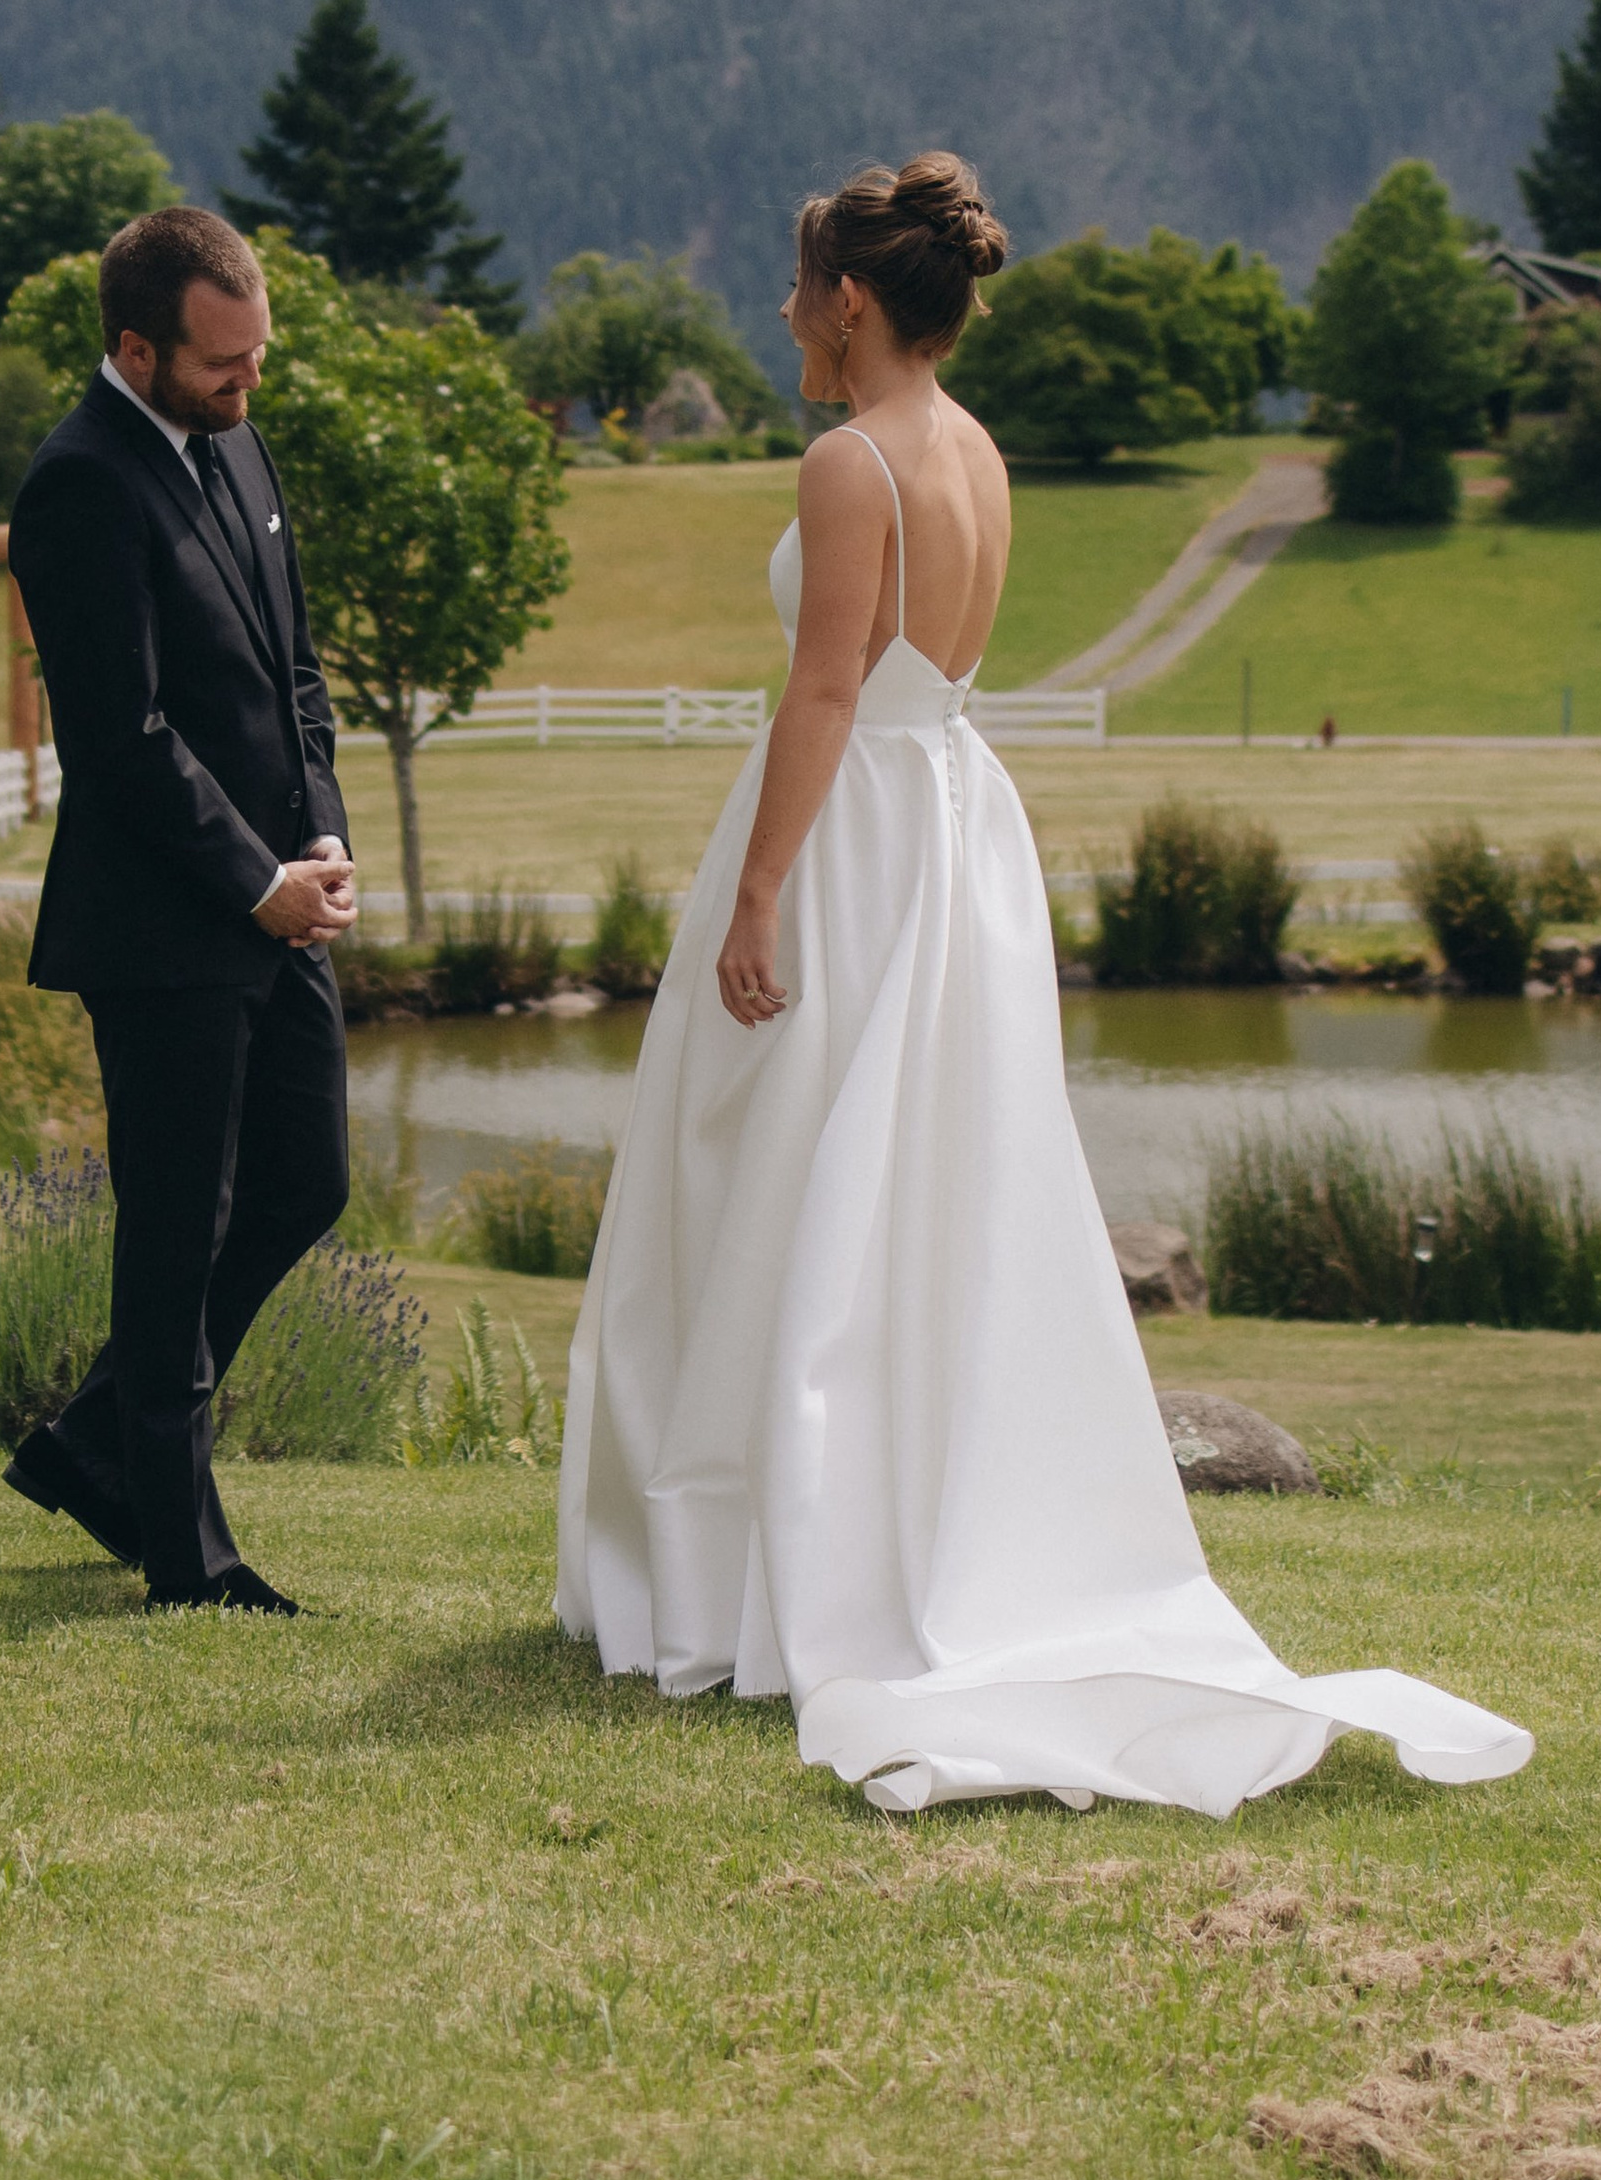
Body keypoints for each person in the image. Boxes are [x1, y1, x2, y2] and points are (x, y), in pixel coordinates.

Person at [556, 153, 1531, 1816]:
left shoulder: (850, 460)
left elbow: (822, 696)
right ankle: (865, 1528)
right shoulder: (981, 450)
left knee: (779, 1175)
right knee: (920, 1189)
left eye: (799, 294)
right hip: (952, 833)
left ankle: (766, 1569)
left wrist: (764, 890)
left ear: (850, 300)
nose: (789, 318)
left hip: (858, 835)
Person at [3, 205, 356, 1612]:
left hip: (285, 899)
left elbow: (297, 674)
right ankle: (184, 1547)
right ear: (135, 346)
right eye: (222, 366)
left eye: (257, 358)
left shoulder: (236, 443)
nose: (247, 387)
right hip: (163, 925)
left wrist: (318, 832)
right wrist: (253, 880)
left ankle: (99, 1445)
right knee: (173, 1224)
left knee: (304, 1180)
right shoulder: (77, 485)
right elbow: (124, 737)